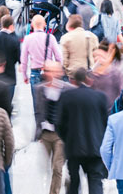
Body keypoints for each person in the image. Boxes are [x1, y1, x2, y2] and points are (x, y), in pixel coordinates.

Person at [57, 68, 108, 194]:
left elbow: (58, 123)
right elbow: (106, 123)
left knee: (74, 181)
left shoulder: (66, 96)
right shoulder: (100, 97)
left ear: (73, 80)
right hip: (95, 147)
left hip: (73, 146)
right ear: (88, 80)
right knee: (95, 180)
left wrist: (67, 138)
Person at [33, 61, 74, 194]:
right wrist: (38, 130)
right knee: (46, 166)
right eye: (47, 70)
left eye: (52, 71)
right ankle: (68, 177)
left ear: (59, 72)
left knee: (57, 167)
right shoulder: (40, 88)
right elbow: (38, 111)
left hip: (60, 135)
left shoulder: (67, 89)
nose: (49, 74)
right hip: (45, 134)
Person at [20, 15, 62, 97]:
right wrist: (58, 73)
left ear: (32, 25)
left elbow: (24, 60)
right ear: (45, 24)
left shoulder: (28, 39)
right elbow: (58, 57)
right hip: (48, 73)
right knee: (50, 101)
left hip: (34, 73)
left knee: (38, 104)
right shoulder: (51, 38)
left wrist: (25, 75)